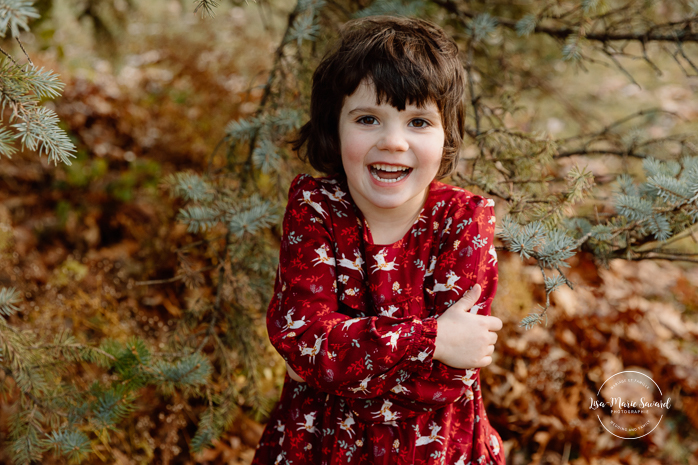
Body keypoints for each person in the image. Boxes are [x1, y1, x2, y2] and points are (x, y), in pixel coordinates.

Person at [252, 16, 504, 465]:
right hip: (321, 446)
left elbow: (447, 380)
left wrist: (332, 362)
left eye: (419, 122)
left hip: (434, 450)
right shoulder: (316, 209)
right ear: (336, 126)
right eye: (369, 119)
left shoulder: (463, 222)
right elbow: (302, 340)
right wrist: (432, 339)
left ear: (447, 134)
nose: (393, 142)